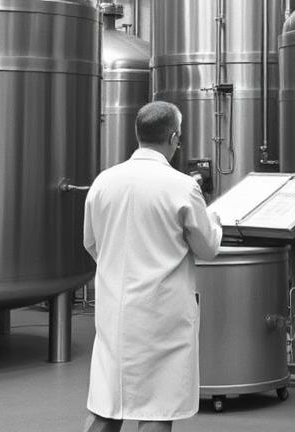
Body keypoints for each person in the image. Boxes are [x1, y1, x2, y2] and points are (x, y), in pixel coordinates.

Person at [82, 101, 222, 432]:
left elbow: (91, 242)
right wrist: (214, 220)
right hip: (162, 314)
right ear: (174, 137)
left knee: (107, 404)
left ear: (137, 134)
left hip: (115, 308)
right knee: (157, 408)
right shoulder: (182, 186)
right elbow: (207, 247)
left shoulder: (104, 181)